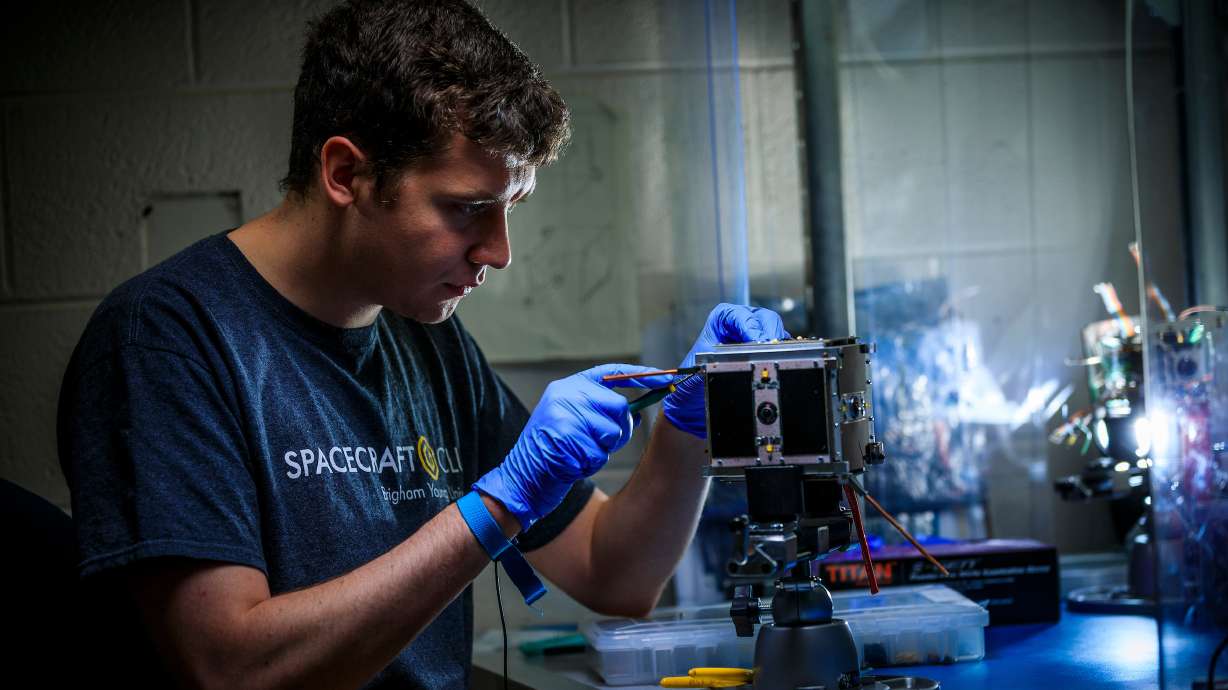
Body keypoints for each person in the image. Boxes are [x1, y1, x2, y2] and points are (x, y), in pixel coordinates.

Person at [56, 1, 789, 688]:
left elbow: (615, 574)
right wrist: (494, 507)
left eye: (508, 210)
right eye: (468, 209)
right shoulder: (167, 339)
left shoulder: (421, 337)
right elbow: (231, 667)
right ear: (347, 173)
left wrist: (691, 426)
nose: (498, 253)